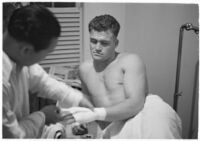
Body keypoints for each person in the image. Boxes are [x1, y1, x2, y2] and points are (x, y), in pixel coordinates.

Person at [63, 14, 182, 139]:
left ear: (116, 43)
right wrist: (80, 121)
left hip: (134, 119)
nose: (97, 48)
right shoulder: (84, 69)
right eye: (93, 41)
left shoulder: (130, 61)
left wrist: (97, 114)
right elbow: (87, 103)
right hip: (109, 128)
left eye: (104, 43)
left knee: (156, 113)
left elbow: (136, 104)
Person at [3, 4, 93, 138]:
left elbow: (43, 81)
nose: (46, 57)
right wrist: (43, 116)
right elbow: (13, 136)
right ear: (26, 50)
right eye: (47, 53)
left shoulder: (18, 59)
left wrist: (79, 99)